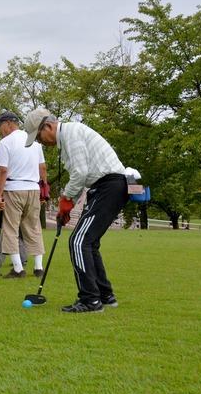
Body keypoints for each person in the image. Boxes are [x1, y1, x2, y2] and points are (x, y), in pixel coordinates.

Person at [24, 107, 127, 313]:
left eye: (39, 136)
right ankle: (105, 295)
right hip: (105, 188)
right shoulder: (69, 137)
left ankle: (90, 300)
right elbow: (81, 177)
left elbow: (81, 173)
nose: (40, 142)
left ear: (48, 126)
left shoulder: (71, 133)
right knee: (88, 242)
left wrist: (66, 198)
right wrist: (68, 204)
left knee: (79, 241)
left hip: (109, 186)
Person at [0, 111, 47, 278]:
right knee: (34, 227)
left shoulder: (6, 142)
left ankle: (18, 269)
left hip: (14, 188)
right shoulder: (34, 142)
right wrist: (44, 191)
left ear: (8, 123)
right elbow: (42, 168)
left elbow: (2, 171)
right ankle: (38, 267)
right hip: (33, 189)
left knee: (10, 228)